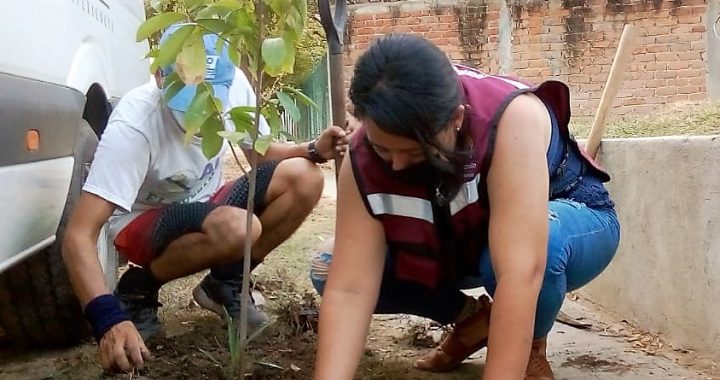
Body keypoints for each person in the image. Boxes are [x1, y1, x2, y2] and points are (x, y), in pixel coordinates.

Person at [311, 34, 620, 380]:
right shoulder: (361, 154)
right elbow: (350, 288)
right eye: (384, 150)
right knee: (328, 266)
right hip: (462, 238)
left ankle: (531, 348)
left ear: (457, 119)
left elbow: (519, 274)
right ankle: (473, 321)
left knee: (535, 248)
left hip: (572, 219)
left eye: (414, 153)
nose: (396, 166)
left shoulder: (509, 120)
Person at [62, 25, 349, 373]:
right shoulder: (134, 125)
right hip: (144, 219)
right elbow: (79, 235)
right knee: (239, 228)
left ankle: (223, 284)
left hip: (208, 203)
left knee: (305, 177)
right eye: (187, 100)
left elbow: (259, 153)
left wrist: (312, 150)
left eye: (209, 102)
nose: (198, 118)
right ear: (158, 75)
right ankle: (138, 290)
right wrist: (106, 319)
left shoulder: (232, 85)